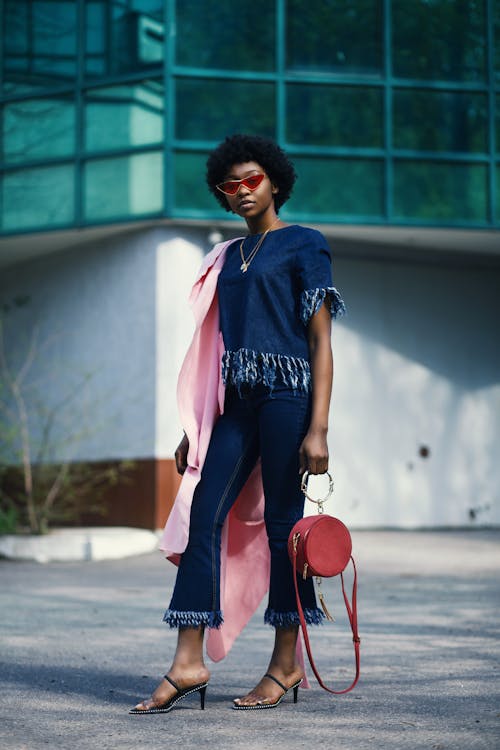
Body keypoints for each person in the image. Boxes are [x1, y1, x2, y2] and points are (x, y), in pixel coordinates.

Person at [130, 134, 345, 714]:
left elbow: (322, 340)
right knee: (204, 511)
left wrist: (318, 428)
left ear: (275, 181)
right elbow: (211, 345)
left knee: (283, 530)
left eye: (252, 179)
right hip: (235, 402)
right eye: (230, 185)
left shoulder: (305, 244)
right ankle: (188, 661)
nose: (242, 190)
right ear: (222, 197)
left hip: (287, 398)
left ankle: (284, 664)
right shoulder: (227, 258)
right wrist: (194, 425)